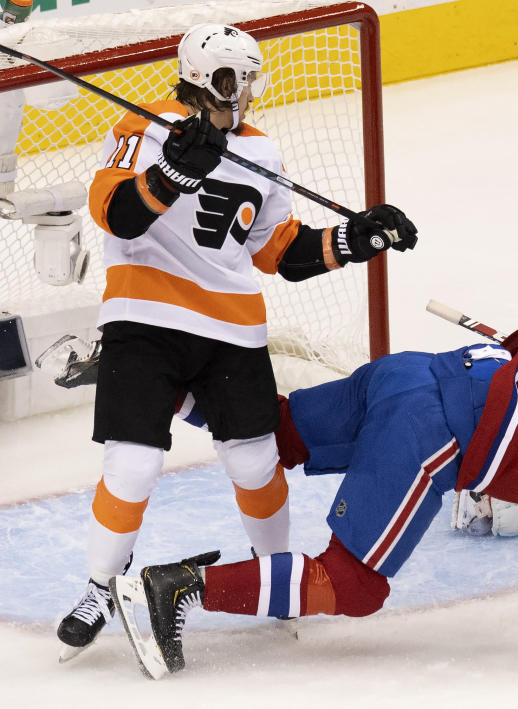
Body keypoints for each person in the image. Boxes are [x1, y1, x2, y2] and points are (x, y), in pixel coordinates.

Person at [56, 23, 418, 659]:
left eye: (249, 79)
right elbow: (114, 214)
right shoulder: (145, 131)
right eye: (230, 79)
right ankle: (97, 586)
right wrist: (170, 174)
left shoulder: (262, 153)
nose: (242, 92)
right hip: (145, 323)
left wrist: (353, 242)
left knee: (256, 463)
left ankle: (273, 578)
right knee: (132, 466)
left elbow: (278, 249)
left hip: (233, 332)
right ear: (197, 77)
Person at [110, 322, 518, 678]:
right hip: (432, 430)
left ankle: (158, 386)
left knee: (281, 432)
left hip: (421, 370)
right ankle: (179, 585)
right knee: (355, 584)